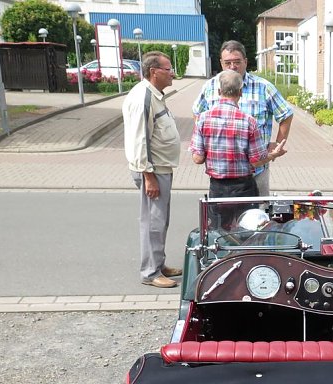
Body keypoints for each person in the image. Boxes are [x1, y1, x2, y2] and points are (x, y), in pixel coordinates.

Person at [192, 40, 293, 196]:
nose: (232, 66)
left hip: (257, 171)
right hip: (221, 175)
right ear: (221, 63)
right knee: (224, 219)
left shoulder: (263, 86)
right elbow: (197, 113)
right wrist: (202, 144)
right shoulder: (210, 86)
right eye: (228, 63)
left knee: (257, 216)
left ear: (245, 62)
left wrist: (278, 143)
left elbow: (286, 114)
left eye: (237, 62)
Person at [189, 70, 287, 229]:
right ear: (240, 92)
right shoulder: (249, 121)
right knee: (246, 233)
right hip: (244, 188)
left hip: (218, 188)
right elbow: (256, 161)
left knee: (218, 233)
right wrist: (274, 154)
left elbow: (198, 159)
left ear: (219, 91)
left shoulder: (203, 119)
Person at [122, 51, 182, 288]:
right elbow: (139, 140)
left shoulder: (154, 95)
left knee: (160, 220)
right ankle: (150, 272)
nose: (172, 74)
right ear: (154, 72)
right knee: (153, 221)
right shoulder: (143, 98)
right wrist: (149, 177)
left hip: (160, 168)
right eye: (168, 69)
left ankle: (158, 263)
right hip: (152, 170)